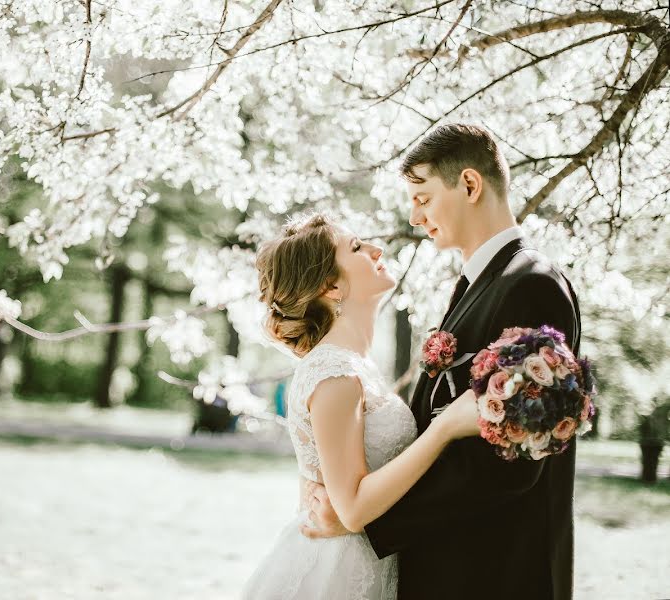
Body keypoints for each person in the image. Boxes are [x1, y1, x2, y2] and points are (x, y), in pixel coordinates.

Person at [302, 124, 582, 600]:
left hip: (495, 571)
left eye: (424, 198)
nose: (415, 217)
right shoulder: (481, 285)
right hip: (451, 563)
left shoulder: (531, 285)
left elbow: (510, 462)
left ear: (469, 185)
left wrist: (368, 521)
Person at [242, 213, 481, 599]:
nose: (377, 249)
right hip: (336, 573)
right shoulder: (333, 373)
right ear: (331, 286)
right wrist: (444, 428)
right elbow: (351, 509)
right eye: (356, 248)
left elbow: (317, 476)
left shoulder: (351, 366)